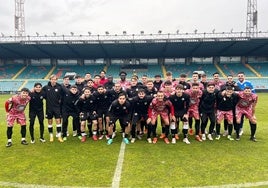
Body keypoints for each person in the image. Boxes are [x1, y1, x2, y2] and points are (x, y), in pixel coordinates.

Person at [42, 74, 64, 142]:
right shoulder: (45, 87)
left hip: (57, 107)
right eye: (52, 79)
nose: (54, 81)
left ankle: (59, 136)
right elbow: (41, 93)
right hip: (49, 108)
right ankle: (51, 136)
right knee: (50, 122)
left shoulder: (60, 87)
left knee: (58, 121)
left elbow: (62, 95)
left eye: (55, 79)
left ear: (56, 80)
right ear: (50, 80)